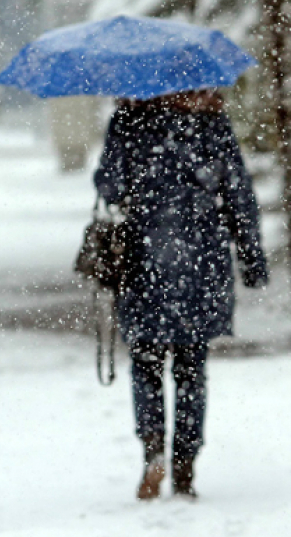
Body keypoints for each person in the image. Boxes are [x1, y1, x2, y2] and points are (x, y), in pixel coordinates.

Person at [94, 90, 268, 500]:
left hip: (145, 259)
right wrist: (251, 258)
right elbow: (239, 194)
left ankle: (153, 450)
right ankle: (185, 461)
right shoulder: (211, 121)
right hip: (201, 260)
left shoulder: (129, 120)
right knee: (192, 367)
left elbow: (111, 185)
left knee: (146, 364)